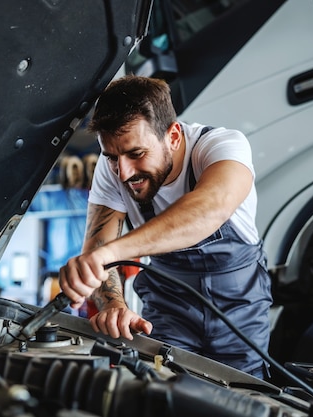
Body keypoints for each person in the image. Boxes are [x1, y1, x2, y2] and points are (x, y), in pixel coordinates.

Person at [58, 75, 273, 378]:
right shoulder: (113, 172)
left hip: (238, 312)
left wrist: (108, 254)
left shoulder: (222, 146)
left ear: (172, 136)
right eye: (112, 158)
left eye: (136, 154)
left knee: (243, 401)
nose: (123, 173)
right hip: (168, 310)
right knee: (161, 390)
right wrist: (113, 305)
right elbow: (97, 256)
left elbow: (209, 209)